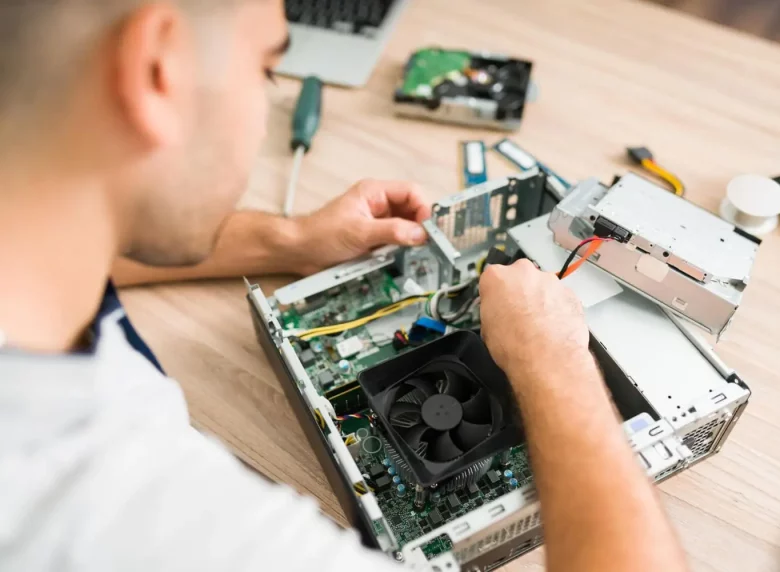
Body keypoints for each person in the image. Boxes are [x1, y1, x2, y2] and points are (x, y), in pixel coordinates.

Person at [0, 1, 688, 571]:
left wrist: (286, 239)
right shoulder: (163, 529)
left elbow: (83, 220)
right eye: (268, 69)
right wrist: (554, 361)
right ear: (158, 71)